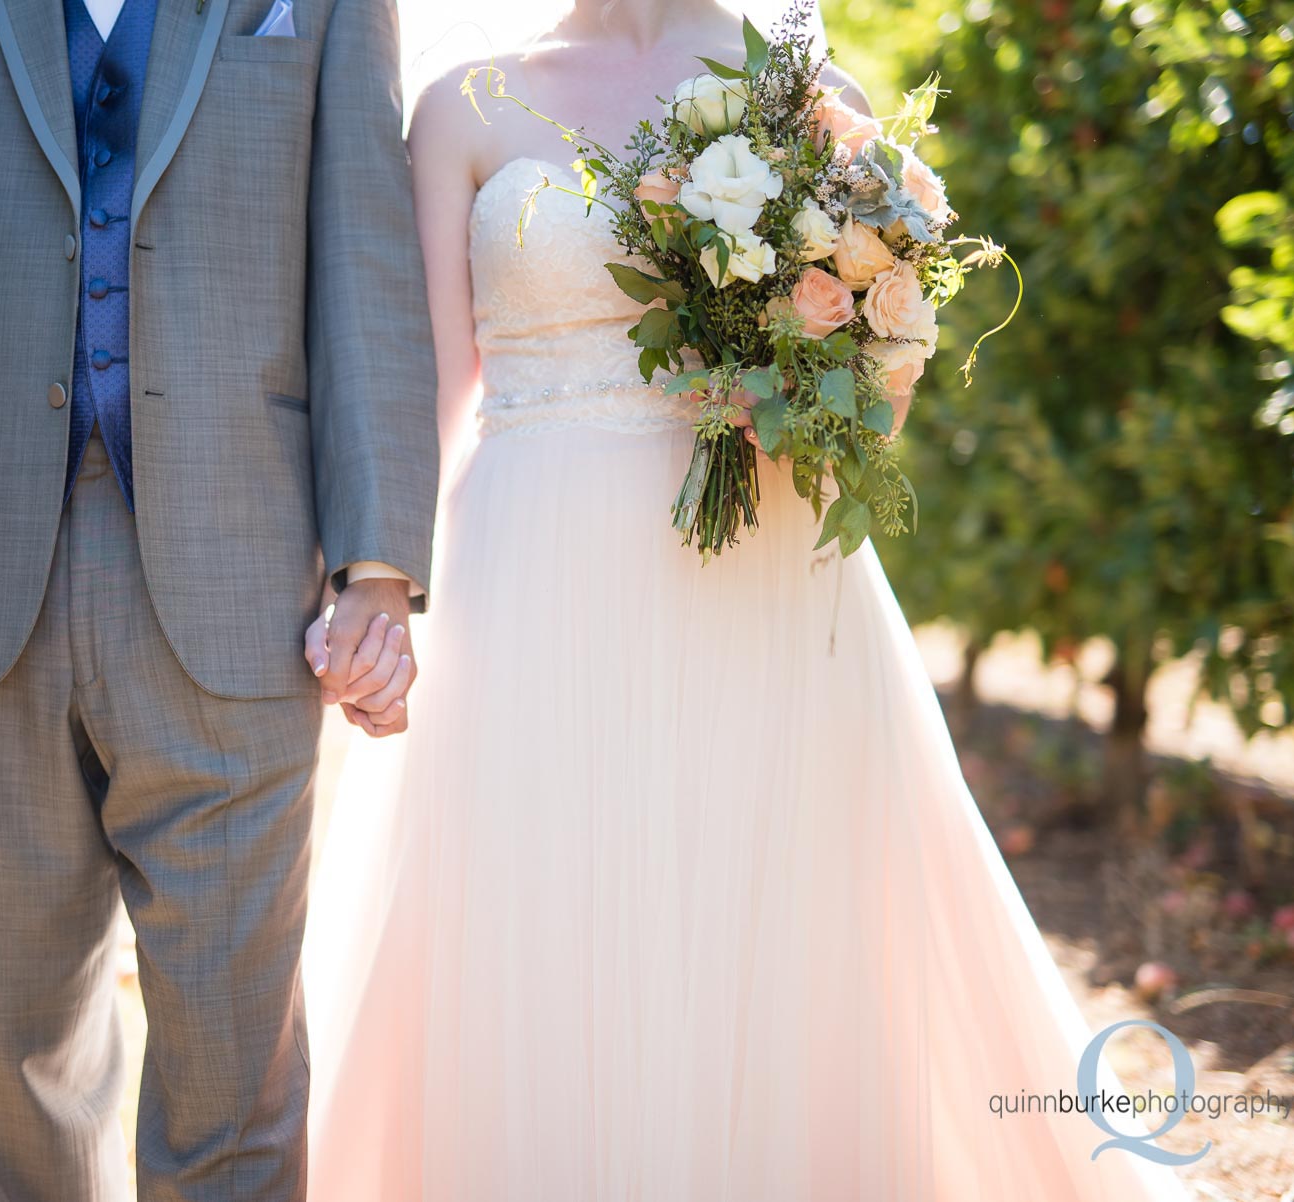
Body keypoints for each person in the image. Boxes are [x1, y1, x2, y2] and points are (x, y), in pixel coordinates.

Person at [301, 1, 1193, 1197]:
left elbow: (877, 376)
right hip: (533, 581)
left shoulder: (804, 96)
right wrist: (374, 581)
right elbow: (431, 395)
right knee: (551, 920)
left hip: (761, 571)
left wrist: (800, 378)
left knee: (773, 928)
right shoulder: (463, 102)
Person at [0, 0, 436, 1197]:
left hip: (241, 576)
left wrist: (378, 569)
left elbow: (367, 263)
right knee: (18, 1052)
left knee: (235, 1070)